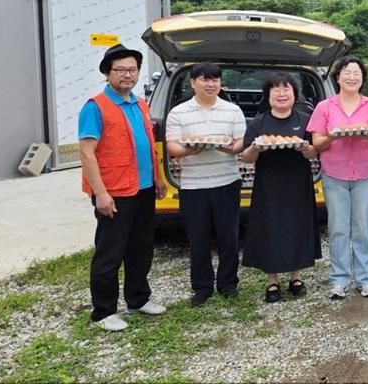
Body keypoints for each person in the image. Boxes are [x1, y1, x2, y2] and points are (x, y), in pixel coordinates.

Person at [78, 43, 167, 331]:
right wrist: (100, 193)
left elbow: (148, 147)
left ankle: (138, 300)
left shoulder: (140, 103)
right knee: (110, 252)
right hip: (114, 192)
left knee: (141, 249)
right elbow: (87, 153)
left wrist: (158, 179)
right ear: (108, 73)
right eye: (121, 70)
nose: (127, 75)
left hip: (142, 189)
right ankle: (103, 312)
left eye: (132, 69)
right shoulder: (96, 107)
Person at [165, 62, 247, 306]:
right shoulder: (178, 113)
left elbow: (240, 142)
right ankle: (202, 287)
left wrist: (231, 147)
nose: (211, 84)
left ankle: (228, 284)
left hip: (227, 182)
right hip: (192, 186)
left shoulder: (232, 111)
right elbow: (172, 147)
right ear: (193, 83)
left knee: (228, 238)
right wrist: (191, 150)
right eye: (205, 79)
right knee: (198, 239)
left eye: (215, 80)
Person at [241, 73, 322, 302]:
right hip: (268, 185)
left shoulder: (306, 119)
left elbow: (314, 152)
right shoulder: (259, 122)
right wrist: (257, 148)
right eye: (276, 89)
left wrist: (305, 148)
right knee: (270, 227)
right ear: (268, 96)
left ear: (295, 94)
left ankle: (296, 277)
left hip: (298, 182)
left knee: (297, 225)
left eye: (286, 89)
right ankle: (272, 281)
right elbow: (247, 157)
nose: (282, 93)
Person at [309, 56, 368, 299]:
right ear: (338, 76)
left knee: (363, 226)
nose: (352, 77)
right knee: (339, 227)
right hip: (334, 174)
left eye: (357, 73)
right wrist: (332, 136)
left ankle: (365, 278)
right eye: (347, 72)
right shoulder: (325, 107)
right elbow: (317, 143)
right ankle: (339, 279)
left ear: (362, 79)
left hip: (365, 173)